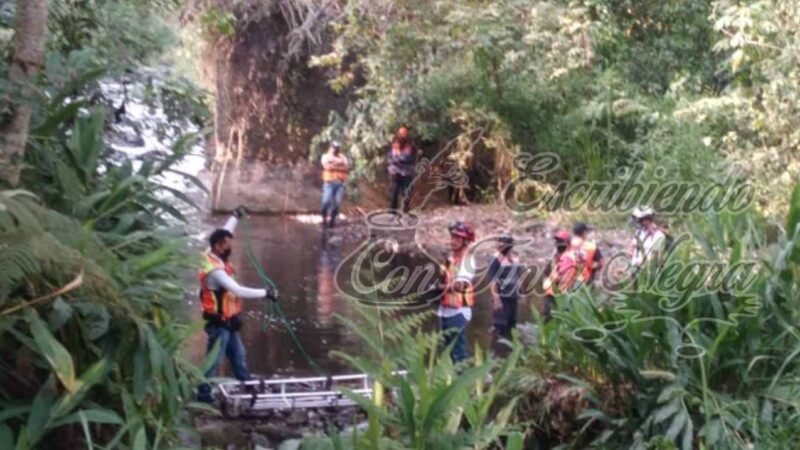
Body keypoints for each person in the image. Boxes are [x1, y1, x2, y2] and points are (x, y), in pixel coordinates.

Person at [196, 206, 277, 402]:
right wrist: (266, 293)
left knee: (239, 356)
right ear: (218, 247)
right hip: (218, 324)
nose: (230, 247)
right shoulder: (216, 272)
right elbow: (238, 290)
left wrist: (235, 216)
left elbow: (225, 231)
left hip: (229, 321)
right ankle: (203, 395)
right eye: (226, 245)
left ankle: (247, 385)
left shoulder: (211, 254)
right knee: (213, 361)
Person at [438, 221, 477, 363]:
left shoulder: (468, 261)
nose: (453, 241)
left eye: (457, 238)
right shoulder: (450, 259)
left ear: (465, 241)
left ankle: (462, 375)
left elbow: (460, 285)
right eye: (452, 237)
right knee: (447, 352)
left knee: (458, 353)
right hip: (444, 311)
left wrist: (440, 288)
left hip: (458, 312)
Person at [487, 234, 523, 339]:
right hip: (502, 298)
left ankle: (509, 345)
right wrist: (496, 299)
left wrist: (521, 292)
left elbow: (518, 277)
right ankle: (498, 346)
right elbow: (493, 281)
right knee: (500, 326)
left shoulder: (515, 259)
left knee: (512, 325)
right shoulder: (495, 260)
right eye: (501, 243)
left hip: (513, 297)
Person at [542, 230, 578, 322]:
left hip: (560, 295)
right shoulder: (557, 256)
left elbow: (564, 278)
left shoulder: (568, 257)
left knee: (555, 319)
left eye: (560, 241)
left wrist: (553, 276)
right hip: (552, 293)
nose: (558, 243)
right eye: (557, 241)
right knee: (548, 318)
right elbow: (546, 273)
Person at [320, 140, 350, 228]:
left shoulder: (343, 157)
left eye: (337, 148)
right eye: (334, 148)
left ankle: (332, 221)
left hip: (339, 183)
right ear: (330, 148)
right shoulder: (325, 156)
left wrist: (333, 164)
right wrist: (339, 164)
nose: (336, 150)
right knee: (325, 202)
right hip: (329, 183)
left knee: (337, 204)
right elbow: (327, 167)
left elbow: (346, 168)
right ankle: (324, 220)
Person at [387, 126, 417, 213]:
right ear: (398, 134)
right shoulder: (394, 145)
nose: (403, 135)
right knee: (394, 192)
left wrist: (399, 159)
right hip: (395, 172)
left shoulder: (410, 146)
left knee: (406, 192)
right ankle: (392, 212)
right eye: (401, 133)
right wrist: (399, 160)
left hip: (406, 172)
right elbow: (390, 158)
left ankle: (405, 211)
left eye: (404, 133)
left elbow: (410, 159)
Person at [630, 206, 668, 271]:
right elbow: (632, 249)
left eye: (639, 220)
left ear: (646, 220)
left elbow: (658, 258)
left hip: (648, 271)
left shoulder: (658, 236)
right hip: (635, 269)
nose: (638, 223)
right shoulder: (639, 233)